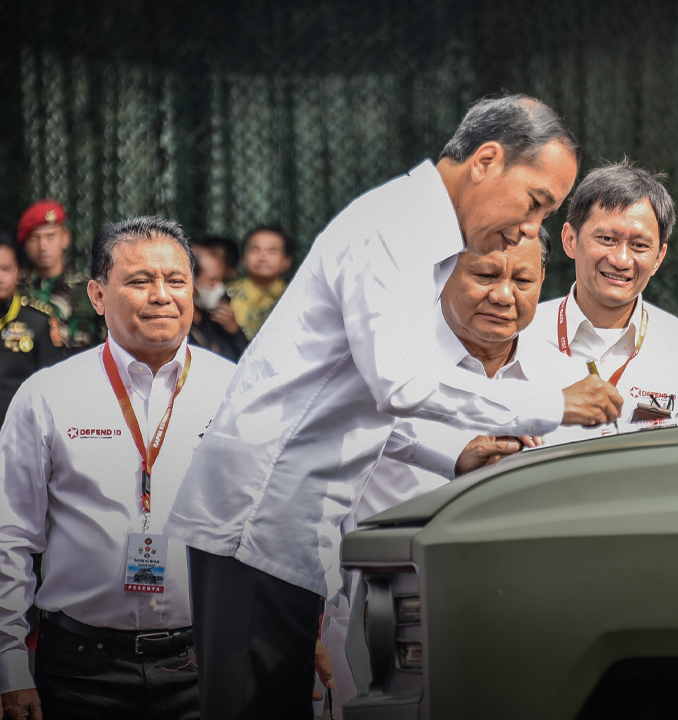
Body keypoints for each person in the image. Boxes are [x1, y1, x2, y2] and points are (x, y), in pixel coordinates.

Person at [162, 94, 622, 720]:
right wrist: (552, 404)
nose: (526, 229)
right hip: (258, 519)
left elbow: (360, 394)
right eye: (536, 201)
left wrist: (450, 453)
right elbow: (400, 384)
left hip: (285, 530)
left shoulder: (417, 231)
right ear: (486, 160)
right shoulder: (396, 228)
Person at [315, 226, 566, 718]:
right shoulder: (376, 364)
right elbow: (316, 502)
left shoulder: (567, 379)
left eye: (523, 279)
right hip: (386, 635)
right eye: (486, 274)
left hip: (526, 633)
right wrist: (314, 617)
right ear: (441, 271)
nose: (503, 295)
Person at [0, 216, 236, 720]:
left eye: (176, 281)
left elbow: (273, 524)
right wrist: (8, 663)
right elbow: (10, 536)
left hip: (207, 661)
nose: (161, 296)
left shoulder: (238, 392)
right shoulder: (47, 395)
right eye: (138, 281)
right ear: (97, 295)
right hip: (80, 668)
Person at [520, 161, 678, 444]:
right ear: (570, 240)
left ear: (659, 257)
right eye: (606, 239)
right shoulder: (518, 338)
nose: (621, 260)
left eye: (639, 245)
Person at [16, 199, 106, 354]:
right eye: (34, 238)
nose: (43, 246)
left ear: (65, 238)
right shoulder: (15, 289)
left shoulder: (90, 288)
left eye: (50, 236)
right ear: (25, 245)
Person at [0, 228, 64, 423]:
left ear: (17, 272)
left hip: (19, 432)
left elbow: (51, 386)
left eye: (6, 269)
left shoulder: (38, 320)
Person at [228, 225, 293, 340]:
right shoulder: (227, 294)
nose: (263, 257)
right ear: (242, 258)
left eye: (272, 251)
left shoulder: (294, 296)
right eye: (255, 250)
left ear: (286, 261)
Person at [188, 249, 248, 362]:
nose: (219, 288)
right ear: (189, 280)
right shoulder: (175, 327)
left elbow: (248, 363)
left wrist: (235, 332)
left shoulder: (217, 322)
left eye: (222, 280)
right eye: (213, 280)